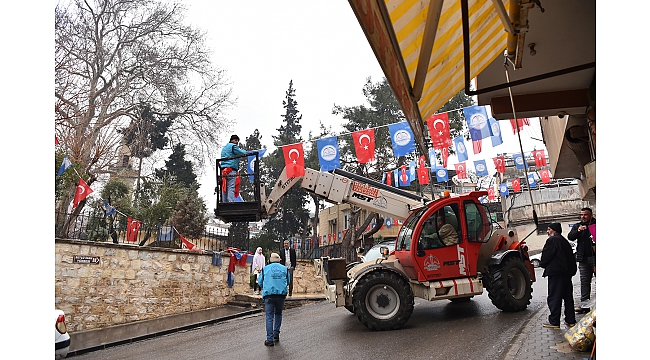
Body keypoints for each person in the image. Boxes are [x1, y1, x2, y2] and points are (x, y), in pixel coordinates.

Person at [539, 222, 577, 329]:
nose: (547, 231)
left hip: (556, 273)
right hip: (566, 274)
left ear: (554, 231)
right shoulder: (564, 241)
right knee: (568, 298)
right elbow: (571, 258)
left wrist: (543, 264)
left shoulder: (552, 240)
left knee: (554, 297)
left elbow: (546, 255)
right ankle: (570, 320)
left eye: (549, 229)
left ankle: (554, 321)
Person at [567, 207, 596, 312]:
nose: (583, 217)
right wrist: (578, 231)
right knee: (584, 282)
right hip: (583, 258)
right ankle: (585, 306)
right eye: (582, 215)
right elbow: (570, 237)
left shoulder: (596, 224)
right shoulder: (578, 226)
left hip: (596, 258)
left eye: (585, 215)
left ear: (591, 215)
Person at [257, 252, 289, 346]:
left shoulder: (265, 269)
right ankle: (276, 333)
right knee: (278, 313)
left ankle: (269, 340)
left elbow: (259, 282)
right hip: (280, 295)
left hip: (269, 295)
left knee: (269, 316)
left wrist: (266, 287)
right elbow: (288, 281)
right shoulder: (285, 269)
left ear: (270, 260)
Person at [220, 134, 247, 202]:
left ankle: (224, 202)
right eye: (236, 140)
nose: (237, 142)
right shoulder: (233, 146)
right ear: (232, 140)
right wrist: (245, 151)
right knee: (231, 187)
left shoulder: (224, 148)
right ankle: (230, 202)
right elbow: (241, 153)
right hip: (231, 170)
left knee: (224, 187)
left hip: (224, 171)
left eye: (237, 140)